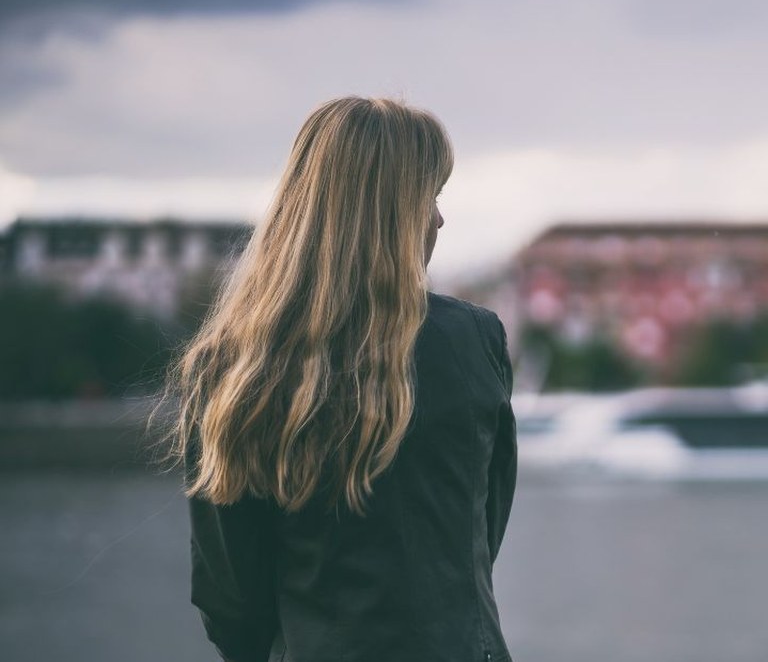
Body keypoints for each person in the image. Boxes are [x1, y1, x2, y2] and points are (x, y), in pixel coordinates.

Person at [153, 96, 518, 662]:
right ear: (391, 211)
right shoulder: (473, 342)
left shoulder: (231, 366)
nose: (439, 218)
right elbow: (476, 543)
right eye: (429, 196)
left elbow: (232, 598)